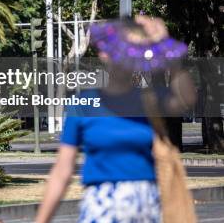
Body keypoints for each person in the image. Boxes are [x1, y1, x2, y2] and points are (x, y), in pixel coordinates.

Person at [35, 16, 195, 223]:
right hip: (102, 204)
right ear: (104, 54)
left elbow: (186, 99)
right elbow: (63, 168)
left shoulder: (149, 99)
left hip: (146, 204)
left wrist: (166, 49)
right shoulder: (83, 103)